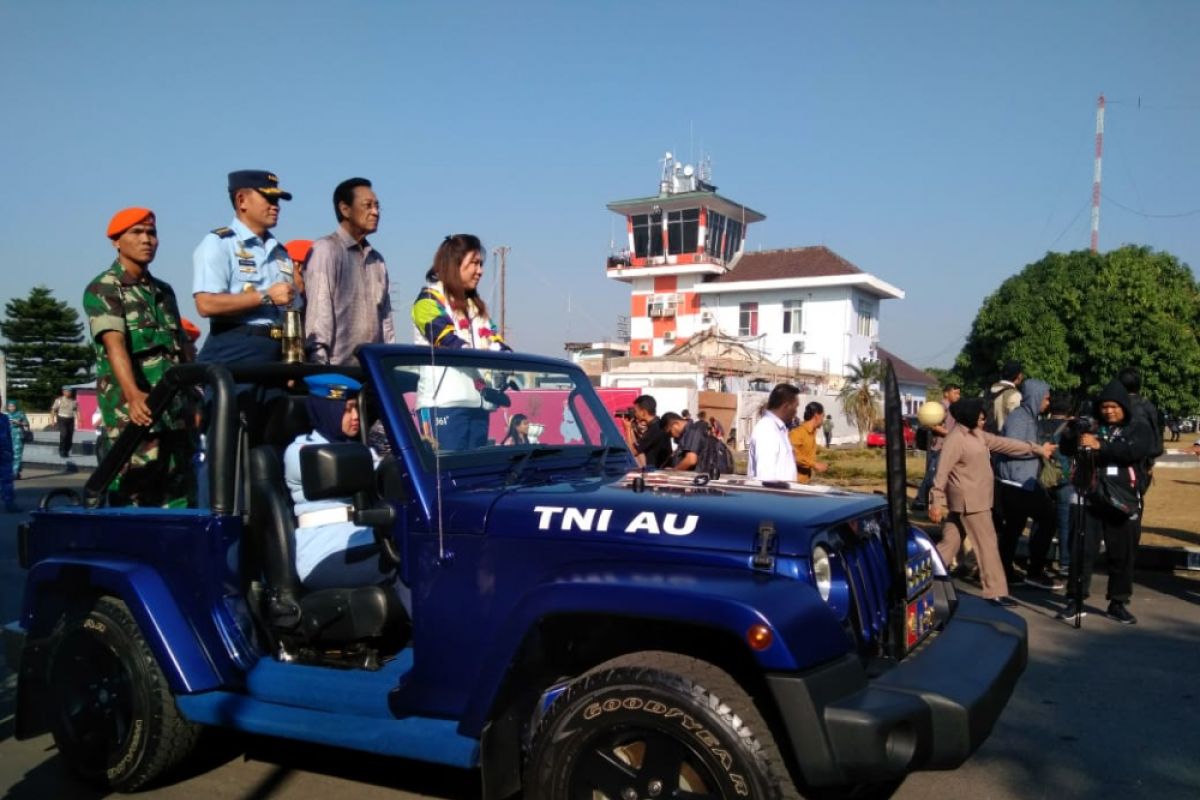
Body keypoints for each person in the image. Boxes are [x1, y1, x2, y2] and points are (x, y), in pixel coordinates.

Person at [83, 207, 195, 507]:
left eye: (152, 233)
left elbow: (182, 351)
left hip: (173, 416)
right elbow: (114, 344)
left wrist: (196, 400)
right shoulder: (104, 287)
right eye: (137, 232)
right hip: (133, 417)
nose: (147, 240)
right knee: (133, 503)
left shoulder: (164, 292)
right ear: (116, 242)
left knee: (179, 500)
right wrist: (133, 395)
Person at [929, 398, 1056, 607]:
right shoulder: (955, 440)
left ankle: (924, 581)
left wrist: (1036, 449)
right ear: (968, 416)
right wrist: (935, 501)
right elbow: (941, 472)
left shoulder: (976, 434)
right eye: (979, 415)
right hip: (971, 502)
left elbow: (1005, 444)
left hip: (972, 501)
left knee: (949, 544)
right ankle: (995, 591)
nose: (983, 418)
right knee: (987, 546)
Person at [1057, 379, 1155, 625]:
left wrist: (1100, 445)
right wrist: (1071, 434)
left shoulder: (1138, 427)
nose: (1109, 411)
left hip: (1123, 499)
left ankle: (1118, 602)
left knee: (1122, 553)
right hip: (1089, 495)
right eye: (1104, 407)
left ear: (1124, 406)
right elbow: (1068, 450)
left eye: (1114, 406)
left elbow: (1134, 451)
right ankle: (1075, 600)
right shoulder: (1091, 425)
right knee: (1081, 550)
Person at [284, 375, 393, 590]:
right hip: (326, 556)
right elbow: (364, 471)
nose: (355, 417)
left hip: (366, 544)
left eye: (356, 409)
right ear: (327, 410)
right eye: (347, 409)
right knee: (408, 568)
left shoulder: (361, 449)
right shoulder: (301, 451)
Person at [412, 235, 511, 450]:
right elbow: (449, 342)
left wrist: (509, 360)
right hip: (443, 406)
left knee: (473, 477)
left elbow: (496, 343)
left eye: (481, 264)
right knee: (447, 478)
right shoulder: (428, 300)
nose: (480, 271)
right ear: (454, 264)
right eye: (474, 263)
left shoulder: (476, 308)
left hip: (479, 406)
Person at [193, 170, 297, 364]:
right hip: (235, 347)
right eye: (269, 199)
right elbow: (205, 304)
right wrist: (265, 297)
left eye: (277, 201)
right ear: (241, 200)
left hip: (277, 352)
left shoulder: (280, 253)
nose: (276, 207)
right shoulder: (220, 243)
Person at [304, 178, 395, 366]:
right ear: (345, 209)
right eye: (367, 206)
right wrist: (320, 365)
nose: (375, 212)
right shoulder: (326, 250)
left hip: (372, 372)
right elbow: (319, 313)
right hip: (337, 372)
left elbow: (386, 321)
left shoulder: (377, 260)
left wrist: (389, 362)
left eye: (377, 206)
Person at [995, 379, 1062, 589]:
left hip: (1019, 481)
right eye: (1046, 397)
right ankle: (1034, 571)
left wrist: (1040, 449)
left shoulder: (1028, 418)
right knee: (1048, 518)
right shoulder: (1019, 418)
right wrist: (1038, 450)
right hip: (1017, 482)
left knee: (1013, 528)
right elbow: (1010, 447)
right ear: (1035, 396)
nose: (1048, 402)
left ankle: (1004, 571)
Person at [914, 384, 961, 510]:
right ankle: (920, 500)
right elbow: (932, 425)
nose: (958, 396)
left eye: (958, 394)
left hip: (946, 445)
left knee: (940, 474)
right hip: (938, 446)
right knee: (932, 475)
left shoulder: (952, 408)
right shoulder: (940, 408)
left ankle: (925, 500)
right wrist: (949, 434)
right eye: (955, 393)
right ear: (946, 394)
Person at [1117, 367, 1162, 493]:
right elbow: (1156, 438)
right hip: (1143, 464)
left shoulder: (1115, 407)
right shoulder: (1148, 406)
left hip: (1120, 462)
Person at [749, 384, 800, 481]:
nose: (796, 412)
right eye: (795, 407)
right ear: (786, 407)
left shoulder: (778, 429)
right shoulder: (767, 430)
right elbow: (766, 478)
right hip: (775, 495)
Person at [626, 395, 672, 469]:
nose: (634, 414)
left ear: (644, 412)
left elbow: (632, 452)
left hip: (657, 472)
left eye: (636, 411)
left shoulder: (654, 430)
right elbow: (636, 446)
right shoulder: (658, 425)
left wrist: (627, 429)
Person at [789, 401, 830, 484]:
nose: (823, 420)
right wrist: (814, 464)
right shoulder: (797, 433)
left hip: (806, 480)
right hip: (795, 483)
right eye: (823, 416)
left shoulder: (812, 433)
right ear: (816, 416)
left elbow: (807, 450)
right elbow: (794, 456)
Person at [985, 360, 1023, 434]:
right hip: (1005, 439)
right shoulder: (1014, 395)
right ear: (1019, 376)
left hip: (988, 438)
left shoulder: (989, 391)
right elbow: (1017, 423)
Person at [50, 388, 79, 458]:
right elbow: (53, 410)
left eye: (70, 391)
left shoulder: (73, 401)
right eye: (67, 391)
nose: (69, 393)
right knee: (64, 434)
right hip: (62, 419)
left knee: (70, 436)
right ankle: (62, 450)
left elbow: (75, 410)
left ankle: (66, 450)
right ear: (63, 392)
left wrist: (79, 419)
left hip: (70, 419)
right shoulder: (59, 400)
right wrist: (52, 420)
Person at [0, 405, 17, 512]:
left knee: (7, 478)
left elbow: (8, 434)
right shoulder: (4, 418)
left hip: (4, 451)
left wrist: (10, 450)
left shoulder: (4, 418)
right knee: (7, 479)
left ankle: (9, 502)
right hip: (5, 451)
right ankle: (9, 502)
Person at [6, 400, 29, 479]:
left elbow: (26, 424)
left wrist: (19, 423)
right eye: (9, 406)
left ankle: (14, 473)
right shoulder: (5, 415)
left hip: (18, 436)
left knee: (17, 455)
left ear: (16, 406)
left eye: (13, 406)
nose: (11, 408)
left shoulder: (20, 414)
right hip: (7, 437)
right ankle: (17, 472)